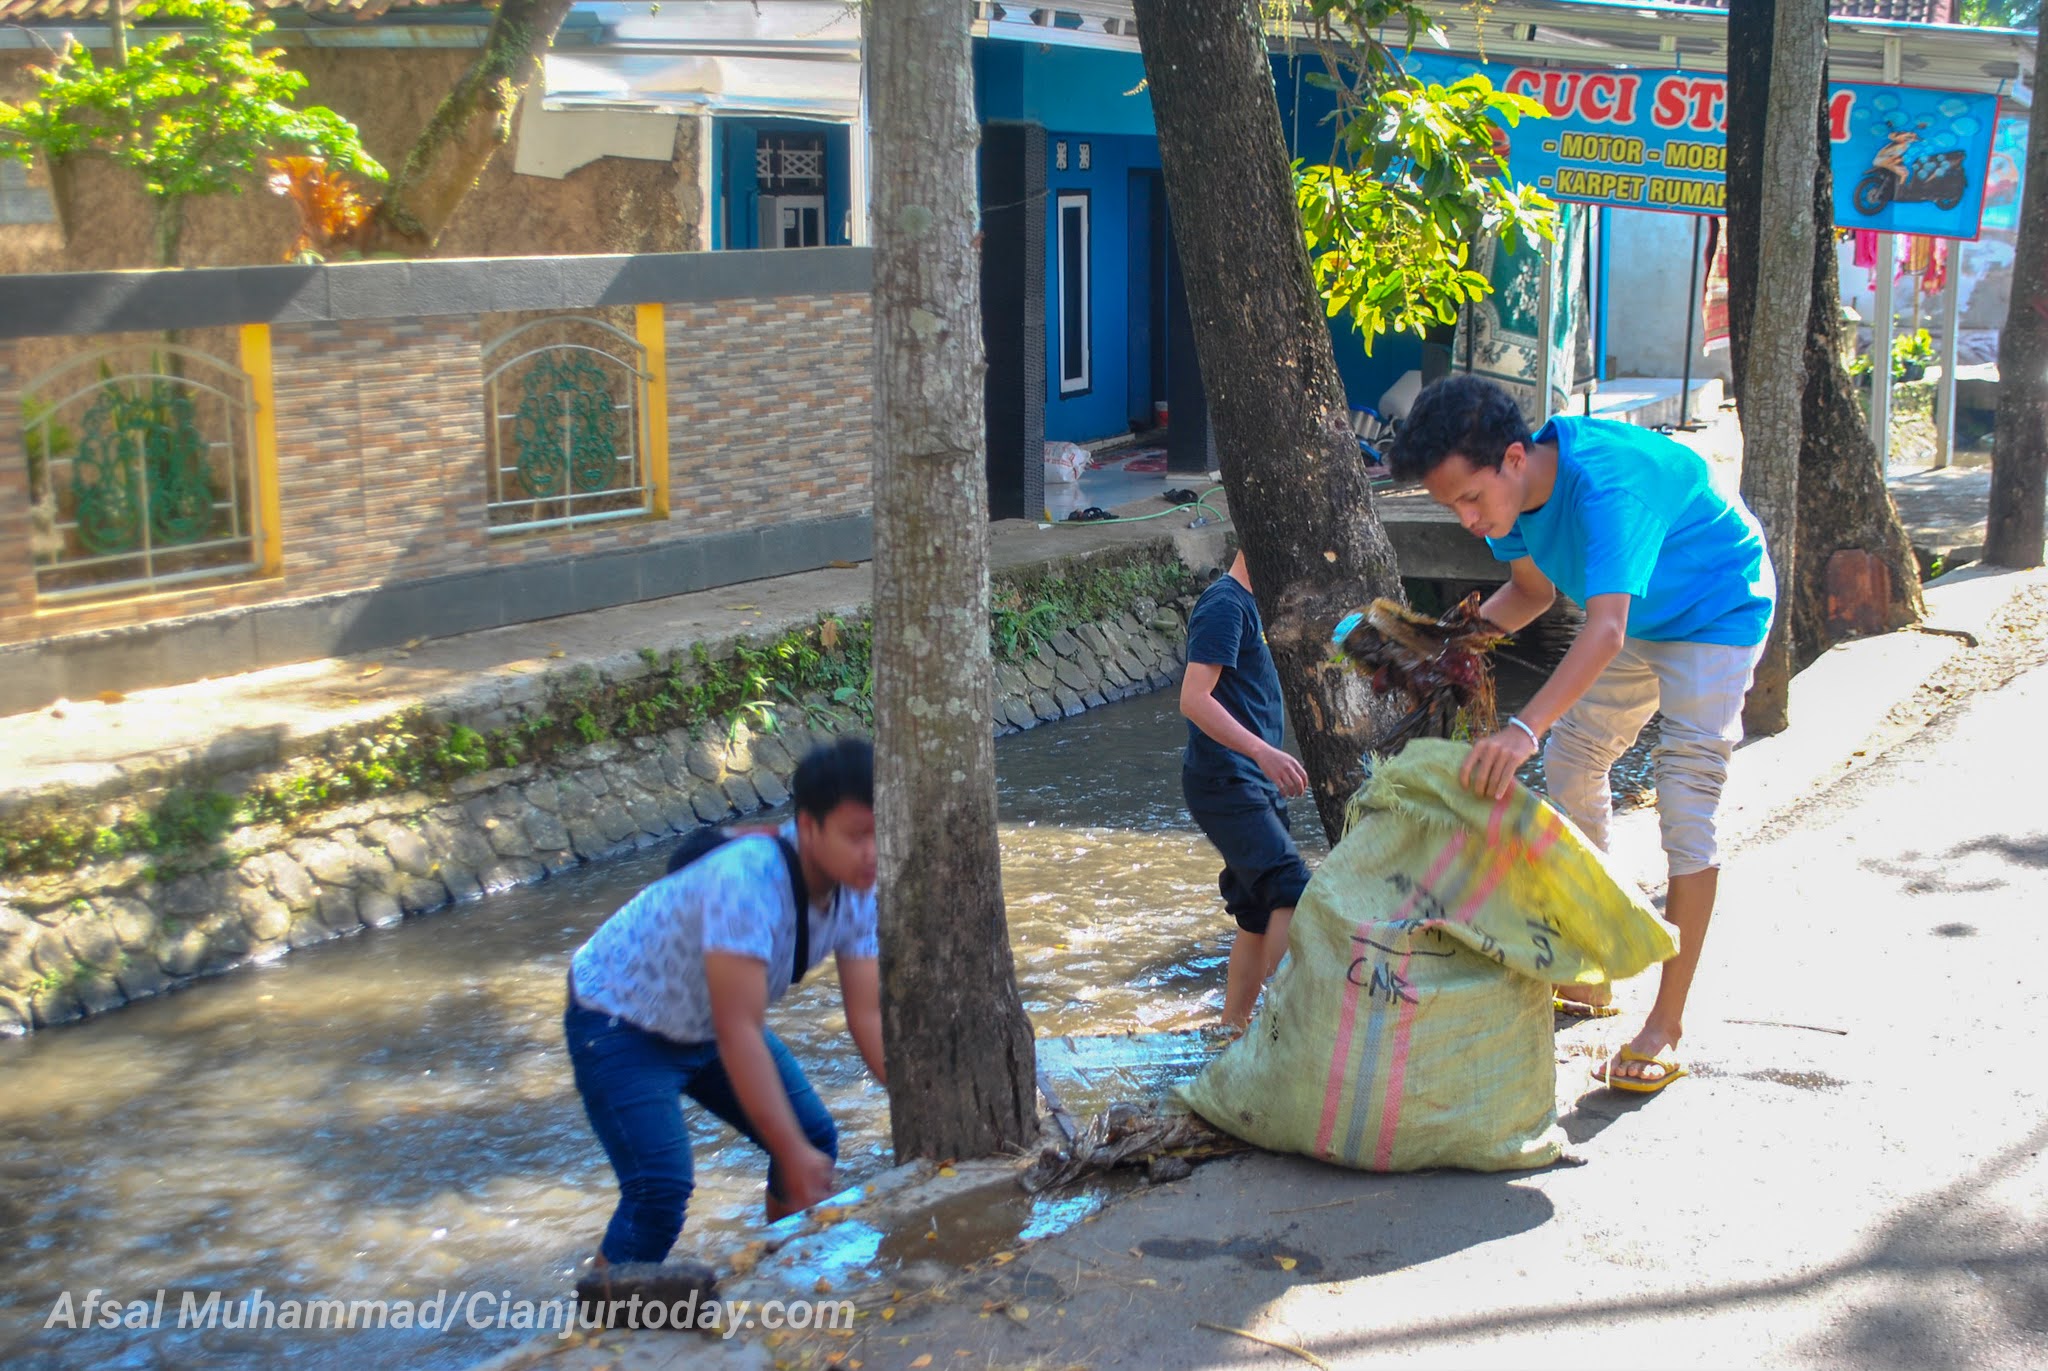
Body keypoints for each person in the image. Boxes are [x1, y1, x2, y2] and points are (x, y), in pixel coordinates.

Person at [1389, 375, 1775, 1094]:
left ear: (1512, 457)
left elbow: (1604, 627)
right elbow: (1534, 592)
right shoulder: (1510, 499)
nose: (1469, 521)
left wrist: (1523, 727)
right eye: (1452, 507)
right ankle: (1597, 961)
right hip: (1637, 615)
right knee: (1574, 765)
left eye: (1469, 499)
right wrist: (1443, 647)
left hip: (1716, 612)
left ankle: (1665, 1023)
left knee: (1685, 805)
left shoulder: (1607, 489)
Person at [564, 736, 884, 1264]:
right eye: (856, 836)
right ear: (808, 827)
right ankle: (596, 1335)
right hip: (619, 1018)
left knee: (811, 1137)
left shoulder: (859, 889)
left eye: (881, 833)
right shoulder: (748, 881)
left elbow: (866, 1014)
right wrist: (789, 1152)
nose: (872, 853)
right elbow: (739, 1032)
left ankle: (782, 1272)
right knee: (659, 1191)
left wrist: (914, 1094)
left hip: (706, 1020)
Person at [1179, 549, 1313, 1033]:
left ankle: (1232, 1032)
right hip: (1226, 779)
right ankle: (1288, 1030)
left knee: (1257, 913)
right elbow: (1193, 699)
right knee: (1292, 893)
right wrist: (1264, 752)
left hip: (1250, 780)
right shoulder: (1225, 605)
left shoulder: (1257, 606)